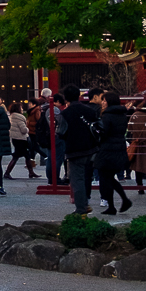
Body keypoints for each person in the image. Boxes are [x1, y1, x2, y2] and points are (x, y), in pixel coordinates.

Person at [59, 85, 103, 216]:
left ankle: (81, 207)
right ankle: (85, 202)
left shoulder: (65, 114)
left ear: (65, 98)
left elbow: (61, 132)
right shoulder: (90, 110)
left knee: (77, 179)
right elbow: (100, 127)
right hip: (91, 148)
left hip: (75, 149)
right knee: (87, 176)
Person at [94, 91, 133, 214]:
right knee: (109, 177)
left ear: (109, 102)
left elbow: (104, 132)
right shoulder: (122, 114)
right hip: (119, 147)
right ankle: (114, 204)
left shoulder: (107, 116)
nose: (102, 103)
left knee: (106, 177)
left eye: (104, 100)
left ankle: (121, 201)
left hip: (107, 149)